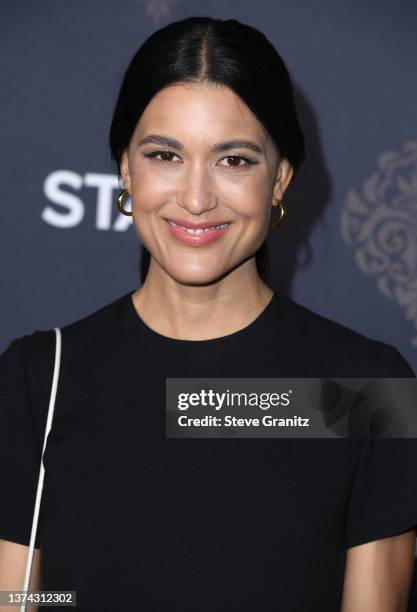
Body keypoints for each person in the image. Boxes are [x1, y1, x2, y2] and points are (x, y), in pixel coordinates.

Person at [1, 15, 416, 612]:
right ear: (125, 168)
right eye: (165, 154)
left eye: (235, 160)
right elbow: (24, 598)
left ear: (281, 178)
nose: (196, 199)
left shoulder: (366, 389)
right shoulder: (37, 378)